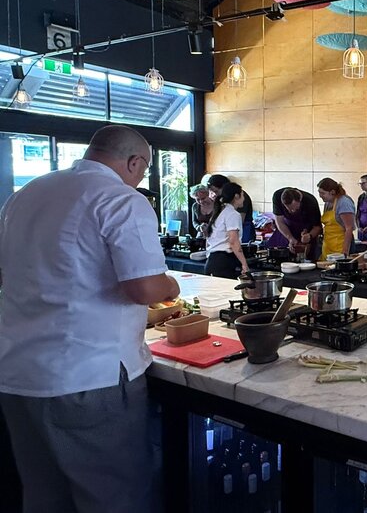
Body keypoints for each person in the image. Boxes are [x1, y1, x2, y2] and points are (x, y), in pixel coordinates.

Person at [0, 125, 179, 513]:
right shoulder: (120, 199)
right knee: (113, 498)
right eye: (143, 170)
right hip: (86, 378)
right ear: (134, 163)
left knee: (45, 499)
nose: (140, 178)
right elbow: (144, 289)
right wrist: (170, 284)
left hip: (17, 375)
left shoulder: (25, 195)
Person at [204, 182, 251, 279]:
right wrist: (244, 264)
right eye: (242, 195)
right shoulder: (233, 214)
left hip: (212, 261)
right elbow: (233, 241)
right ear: (236, 196)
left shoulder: (220, 211)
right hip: (223, 262)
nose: (244, 198)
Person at [265, 187, 322, 261]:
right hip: (287, 228)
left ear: (300, 200)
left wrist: (309, 236)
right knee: (280, 257)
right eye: (289, 209)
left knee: (308, 258)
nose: (292, 211)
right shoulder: (277, 196)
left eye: (296, 209)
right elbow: (279, 222)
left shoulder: (310, 201)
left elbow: (317, 227)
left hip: (307, 229)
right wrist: (290, 238)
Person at [206, 174, 255, 244]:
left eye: (216, 191)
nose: (215, 194)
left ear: (224, 187)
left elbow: (240, 220)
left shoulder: (239, 196)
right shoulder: (222, 199)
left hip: (243, 229)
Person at [316, 177, 356, 259]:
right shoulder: (328, 203)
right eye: (319, 193)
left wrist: (345, 253)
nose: (320, 196)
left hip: (341, 248)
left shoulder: (344, 202)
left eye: (323, 193)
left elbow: (349, 228)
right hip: (328, 247)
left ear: (332, 192)